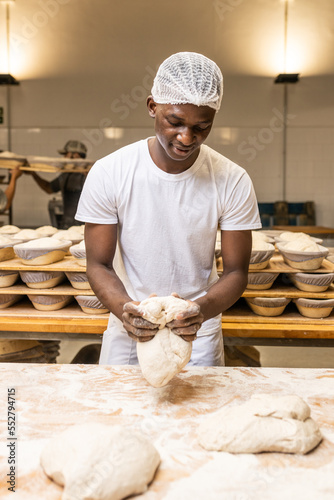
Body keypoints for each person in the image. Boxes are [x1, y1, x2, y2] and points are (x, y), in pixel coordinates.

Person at [75, 52, 262, 367]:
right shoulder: (111, 172)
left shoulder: (231, 179)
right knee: (120, 409)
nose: (187, 138)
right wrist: (125, 310)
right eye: (174, 122)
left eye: (202, 127)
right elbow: (98, 264)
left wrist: (199, 311)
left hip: (197, 328)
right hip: (129, 322)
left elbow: (236, 272)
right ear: (152, 106)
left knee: (199, 413)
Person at [29, 140, 88, 229]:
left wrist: (87, 174)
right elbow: (48, 188)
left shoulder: (88, 174)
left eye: (66, 154)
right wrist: (33, 174)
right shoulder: (65, 175)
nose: (64, 157)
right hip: (66, 224)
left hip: (83, 226)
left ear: (75, 155)